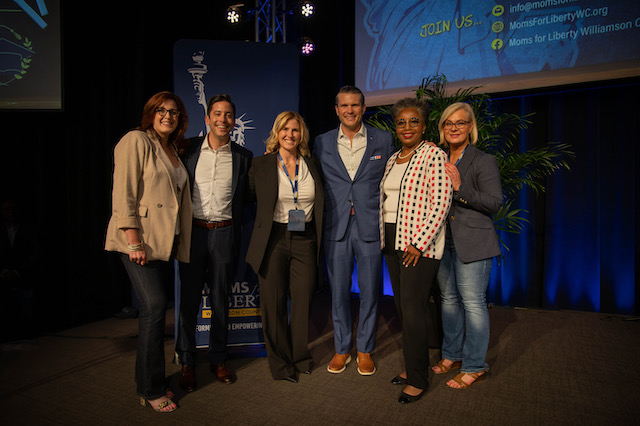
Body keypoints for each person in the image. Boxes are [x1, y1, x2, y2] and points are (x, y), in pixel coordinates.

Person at [104, 91, 192, 413]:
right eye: (162, 110)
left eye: (174, 112)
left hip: (162, 243)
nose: (168, 116)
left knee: (154, 312)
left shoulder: (172, 150)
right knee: (154, 307)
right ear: (151, 113)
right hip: (139, 241)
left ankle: (148, 381)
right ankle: (151, 388)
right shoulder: (136, 140)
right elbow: (123, 190)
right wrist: (133, 240)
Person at [313, 86, 394, 375]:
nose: (350, 110)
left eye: (355, 105)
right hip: (336, 226)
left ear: (363, 107)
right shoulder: (321, 142)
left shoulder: (383, 140)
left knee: (372, 292)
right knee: (338, 293)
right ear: (336, 109)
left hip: (370, 226)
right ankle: (341, 349)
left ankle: (365, 349)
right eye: (344, 105)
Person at [176, 94, 253, 391]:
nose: (223, 119)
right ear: (207, 119)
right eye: (217, 114)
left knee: (221, 300)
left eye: (228, 114)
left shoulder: (243, 156)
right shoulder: (188, 149)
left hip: (224, 233)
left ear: (233, 121)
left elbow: (247, 196)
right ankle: (186, 362)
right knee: (189, 302)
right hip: (192, 233)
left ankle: (218, 358)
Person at [380, 97, 452, 403]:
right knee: (403, 309)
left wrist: (419, 244)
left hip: (416, 245)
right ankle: (413, 366)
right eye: (401, 122)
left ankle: (419, 379)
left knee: (413, 310)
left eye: (414, 122)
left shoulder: (433, 154)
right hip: (391, 240)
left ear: (424, 126)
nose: (407, 127)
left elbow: (441, 203)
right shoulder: (393, 158)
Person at [246, 111, 324, 383]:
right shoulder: (262, 164)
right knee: (274, 304)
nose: (290, 135)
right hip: (273, 240)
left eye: (295, 130)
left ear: (302, 134)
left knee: (302, 302)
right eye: (285, 130)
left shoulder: (312, 164)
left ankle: (300, 357)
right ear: (276, 132)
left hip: (305, 238)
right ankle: (280, 364)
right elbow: (248, 197)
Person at [431, 102, 503, 389]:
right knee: (448, 302)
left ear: (471, 127)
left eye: (460, 123)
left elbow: (494, 203)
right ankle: (452, 354)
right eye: (449, 123)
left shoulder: (483, 160)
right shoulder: (436, 158)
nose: (454, 128)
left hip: (473, 241)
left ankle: (475, 365)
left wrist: (461, 188)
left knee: (472, 304)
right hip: (441, 241)